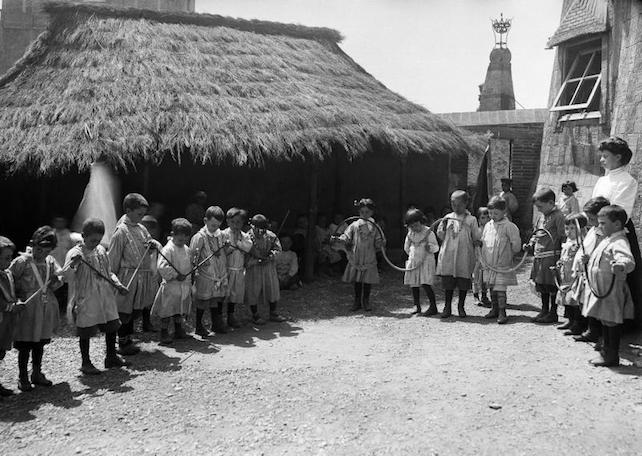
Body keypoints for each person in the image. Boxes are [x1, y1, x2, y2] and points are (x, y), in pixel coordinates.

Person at [62, 218, 129, 375]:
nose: (95, 243)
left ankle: (111, 356)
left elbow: (108, 272)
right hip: (87, 296)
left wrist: (117, 284)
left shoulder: (100, 251)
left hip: (105, 294)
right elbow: (67, 276)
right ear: (83, 235)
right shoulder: (75, 253)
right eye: (92, 240)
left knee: (112, 324)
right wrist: (73, 264)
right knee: (86, 329)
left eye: (98, 240)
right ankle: (86, 362)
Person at [591, 137, 641, 327]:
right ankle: (593, 323)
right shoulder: (602, 180)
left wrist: (604, 222)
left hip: (617, 232)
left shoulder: (628, 181)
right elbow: (593, 203)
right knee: (595, 274)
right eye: (601, 156)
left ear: (618, 157)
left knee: (617, 279)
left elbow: (620, 211)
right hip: (597, 229)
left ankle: (621, 325)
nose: (602, 160)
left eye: (605, 156)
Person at [10, 226, 62, 392]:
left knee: (40, 342)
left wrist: (56, 280)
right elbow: (8, 280)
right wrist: (15, 298)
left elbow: (59, 280)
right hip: (27, 309)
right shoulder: (22, 262)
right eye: (38, 249)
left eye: (46, 251)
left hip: (44, 308)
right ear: (32, 245)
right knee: (25, 343)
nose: (41, 254)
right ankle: (22, 376)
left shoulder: (51, 262)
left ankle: (37, 372)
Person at [582, 205, 635, 367]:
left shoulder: (619, 241)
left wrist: (621, 265)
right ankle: (605, 350)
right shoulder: (607, 239)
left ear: (617, 225)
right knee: (605, 320)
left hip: (611, 290)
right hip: (602, 289)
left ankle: (611, 355)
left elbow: (627, 259)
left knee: (611, 321)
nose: (599, 226)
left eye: (603, 223)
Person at [108, 193, 159, 356]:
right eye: (139, 214)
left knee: (134, 310)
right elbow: (113, 258)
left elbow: (150, 243)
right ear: (128, 210)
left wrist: (152, 246)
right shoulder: (121, 231)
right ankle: (122, 343)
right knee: (124, 311)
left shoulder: (141, 228)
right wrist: (113, 280)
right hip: (126, 277)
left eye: (143, 215)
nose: (141, 217)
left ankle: (128, 339)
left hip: (141, 277)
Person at [435, 190, 481, 318]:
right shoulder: (448, 217)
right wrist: (443, 227)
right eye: (453, 204)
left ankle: (461, 306)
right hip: (449, 254)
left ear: (466, 203)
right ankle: (447, 306)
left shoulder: (471, 219)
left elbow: (476, 236)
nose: (455, 207)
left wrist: (477, 243)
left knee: (463, 281)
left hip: (464, 254)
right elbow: (441, 235)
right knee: (448, 281)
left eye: (459, 204)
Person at [571, 197, 610, 345]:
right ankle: (590, 329)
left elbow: (601, 252)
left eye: (592, 218)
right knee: (587, 301)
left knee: (597, 304)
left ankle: (598, 334)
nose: (589, 220)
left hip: (599, 274)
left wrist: (590, 257)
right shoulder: (593, 230)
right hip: (587, 272)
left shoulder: (604, 233)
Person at [333, 198, 384, 312]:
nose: (364, 214)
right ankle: (357, 301)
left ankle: (366, 301)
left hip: (369, 256)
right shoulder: (354, 225)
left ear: (372, 212)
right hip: (357, 256)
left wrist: (380, 243)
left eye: (367, 212)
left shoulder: (375, 226)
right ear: (359, 212)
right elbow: (346, 236)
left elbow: (378, 240)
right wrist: (339, 239)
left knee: (367, 280)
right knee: (357, 280)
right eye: (362, 212)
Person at [524, 187, 565, 324]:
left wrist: (562, 256)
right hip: (539, 256)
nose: (539, 210)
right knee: (541, 285)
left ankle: (553, 313)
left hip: (551, 256)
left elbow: (562, 236)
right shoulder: (542, 217)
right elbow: (537, 233)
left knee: (551, 285)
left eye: (540, 206)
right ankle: (544, 310)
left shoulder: (559, 216)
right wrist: (530, 244)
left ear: (551, 203)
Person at [479, 197, 522, 324]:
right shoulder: (488, 225)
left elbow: (516, 244)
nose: (492, 216)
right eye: (490, 213)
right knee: (492, 286)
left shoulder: (509, 226)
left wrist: (512, 253)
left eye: (496, 213)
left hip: (502, 263)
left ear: (504, 212)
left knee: (500, 288)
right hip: (489, 263)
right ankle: (494, 309)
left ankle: (502, 311)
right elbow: (484, 240)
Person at [151, 218, 193, 345]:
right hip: (171, 286)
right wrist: (175, 275)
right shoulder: (168, 249)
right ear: (173, 234)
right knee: (167, 310)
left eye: (185, 239)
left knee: (179, 309)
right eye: (180, 239)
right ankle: (164, 332)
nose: (183, 241)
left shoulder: (186, 249)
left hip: (183, 286)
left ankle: (179, 329)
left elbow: (189, 265)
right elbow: (162, 266)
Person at [190, 206, 228, 336]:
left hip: (219, 273)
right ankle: (198, 325)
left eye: (217, 226)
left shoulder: (221, 235)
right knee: (203, 300)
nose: (215, 228)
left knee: (216, 298)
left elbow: (224, 251)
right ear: (205, 221)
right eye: (212, 225)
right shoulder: (199, 237)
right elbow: (193, 255)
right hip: (205, 274)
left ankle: (216, 323)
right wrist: (195, 267)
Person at [245, 214, 286, 324]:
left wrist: (271, 256)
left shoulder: (271, 236)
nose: (260, 232)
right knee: (253, 290)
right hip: (254, 268)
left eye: (263, 229)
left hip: (268, 267)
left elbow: (278, 250)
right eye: (257, 229)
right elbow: (244, 254)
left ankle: (273, 312)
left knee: (272, 288)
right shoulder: (246, 237)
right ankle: (255, 315)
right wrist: (255, 260)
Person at [402, 209, 439, 316]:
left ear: (421, 221)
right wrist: (412, 255)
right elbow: (406, 247)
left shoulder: (428, 233)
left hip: (426, 263)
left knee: (426, 283)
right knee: (414, 284)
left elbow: (436, 247)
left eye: (416, 225)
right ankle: (416, 305)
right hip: (414, 263)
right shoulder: (410, 234)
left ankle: (433, 306)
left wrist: (430, 248)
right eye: (411, 226)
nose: (414, 228)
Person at [554, 213, 586, 335]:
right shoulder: (567, 242)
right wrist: (560, 262)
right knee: (566, 299)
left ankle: (577, 324)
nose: (569, 231)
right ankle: (569, 320)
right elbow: (564, 256)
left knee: (574, 301)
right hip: (565, 276)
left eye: (572, 228)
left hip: (574, 277)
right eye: (567, 228)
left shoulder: (580, 243)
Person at [0, 236, 23, 396]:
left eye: (11, 257)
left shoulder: (6, 274)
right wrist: (11, 307)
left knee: (1, 351)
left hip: (5, 321)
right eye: (6, 258)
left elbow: (12, 292)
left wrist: (17, 300)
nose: (10, 261)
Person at [222, 208, 253, 328]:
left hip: (238, 269)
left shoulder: (244, 236)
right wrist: (233, 245)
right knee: (223, 294)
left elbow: (248, 247)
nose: (235, 225)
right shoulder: (223, 234)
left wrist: (238, 243)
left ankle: (231, 315)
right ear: (228, 222)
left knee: (234, 294)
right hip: (226, 269)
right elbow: (224, 251)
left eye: (238, 222)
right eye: (233, 222)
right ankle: (220, 317)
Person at [473, 207, 491, 308]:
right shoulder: (477, 230)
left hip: (486, 256)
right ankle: (476, 296)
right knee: (476, 276)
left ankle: (484, 295)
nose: (486, 220)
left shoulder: (491, 229)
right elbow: (474, 241)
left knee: (485, 277)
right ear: (479, 219)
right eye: (483, 217)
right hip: (477, 256)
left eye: (488, 217)